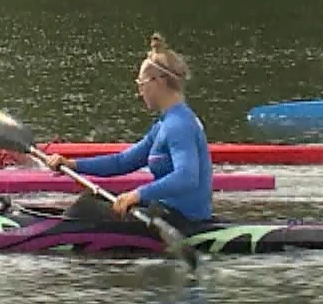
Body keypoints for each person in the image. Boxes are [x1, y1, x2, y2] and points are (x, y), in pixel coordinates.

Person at [56, 34, 215, 233]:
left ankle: (45, 238)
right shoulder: (165, 123)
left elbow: (186, 176)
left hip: (180, 221)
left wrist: (138, 195)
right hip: (165, 213)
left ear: (158, 81)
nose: (140, 91)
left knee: (86, 208)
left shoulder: (179, 124)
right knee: (94, 199)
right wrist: (72, 164)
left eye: (142, 83)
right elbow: (122, 162)